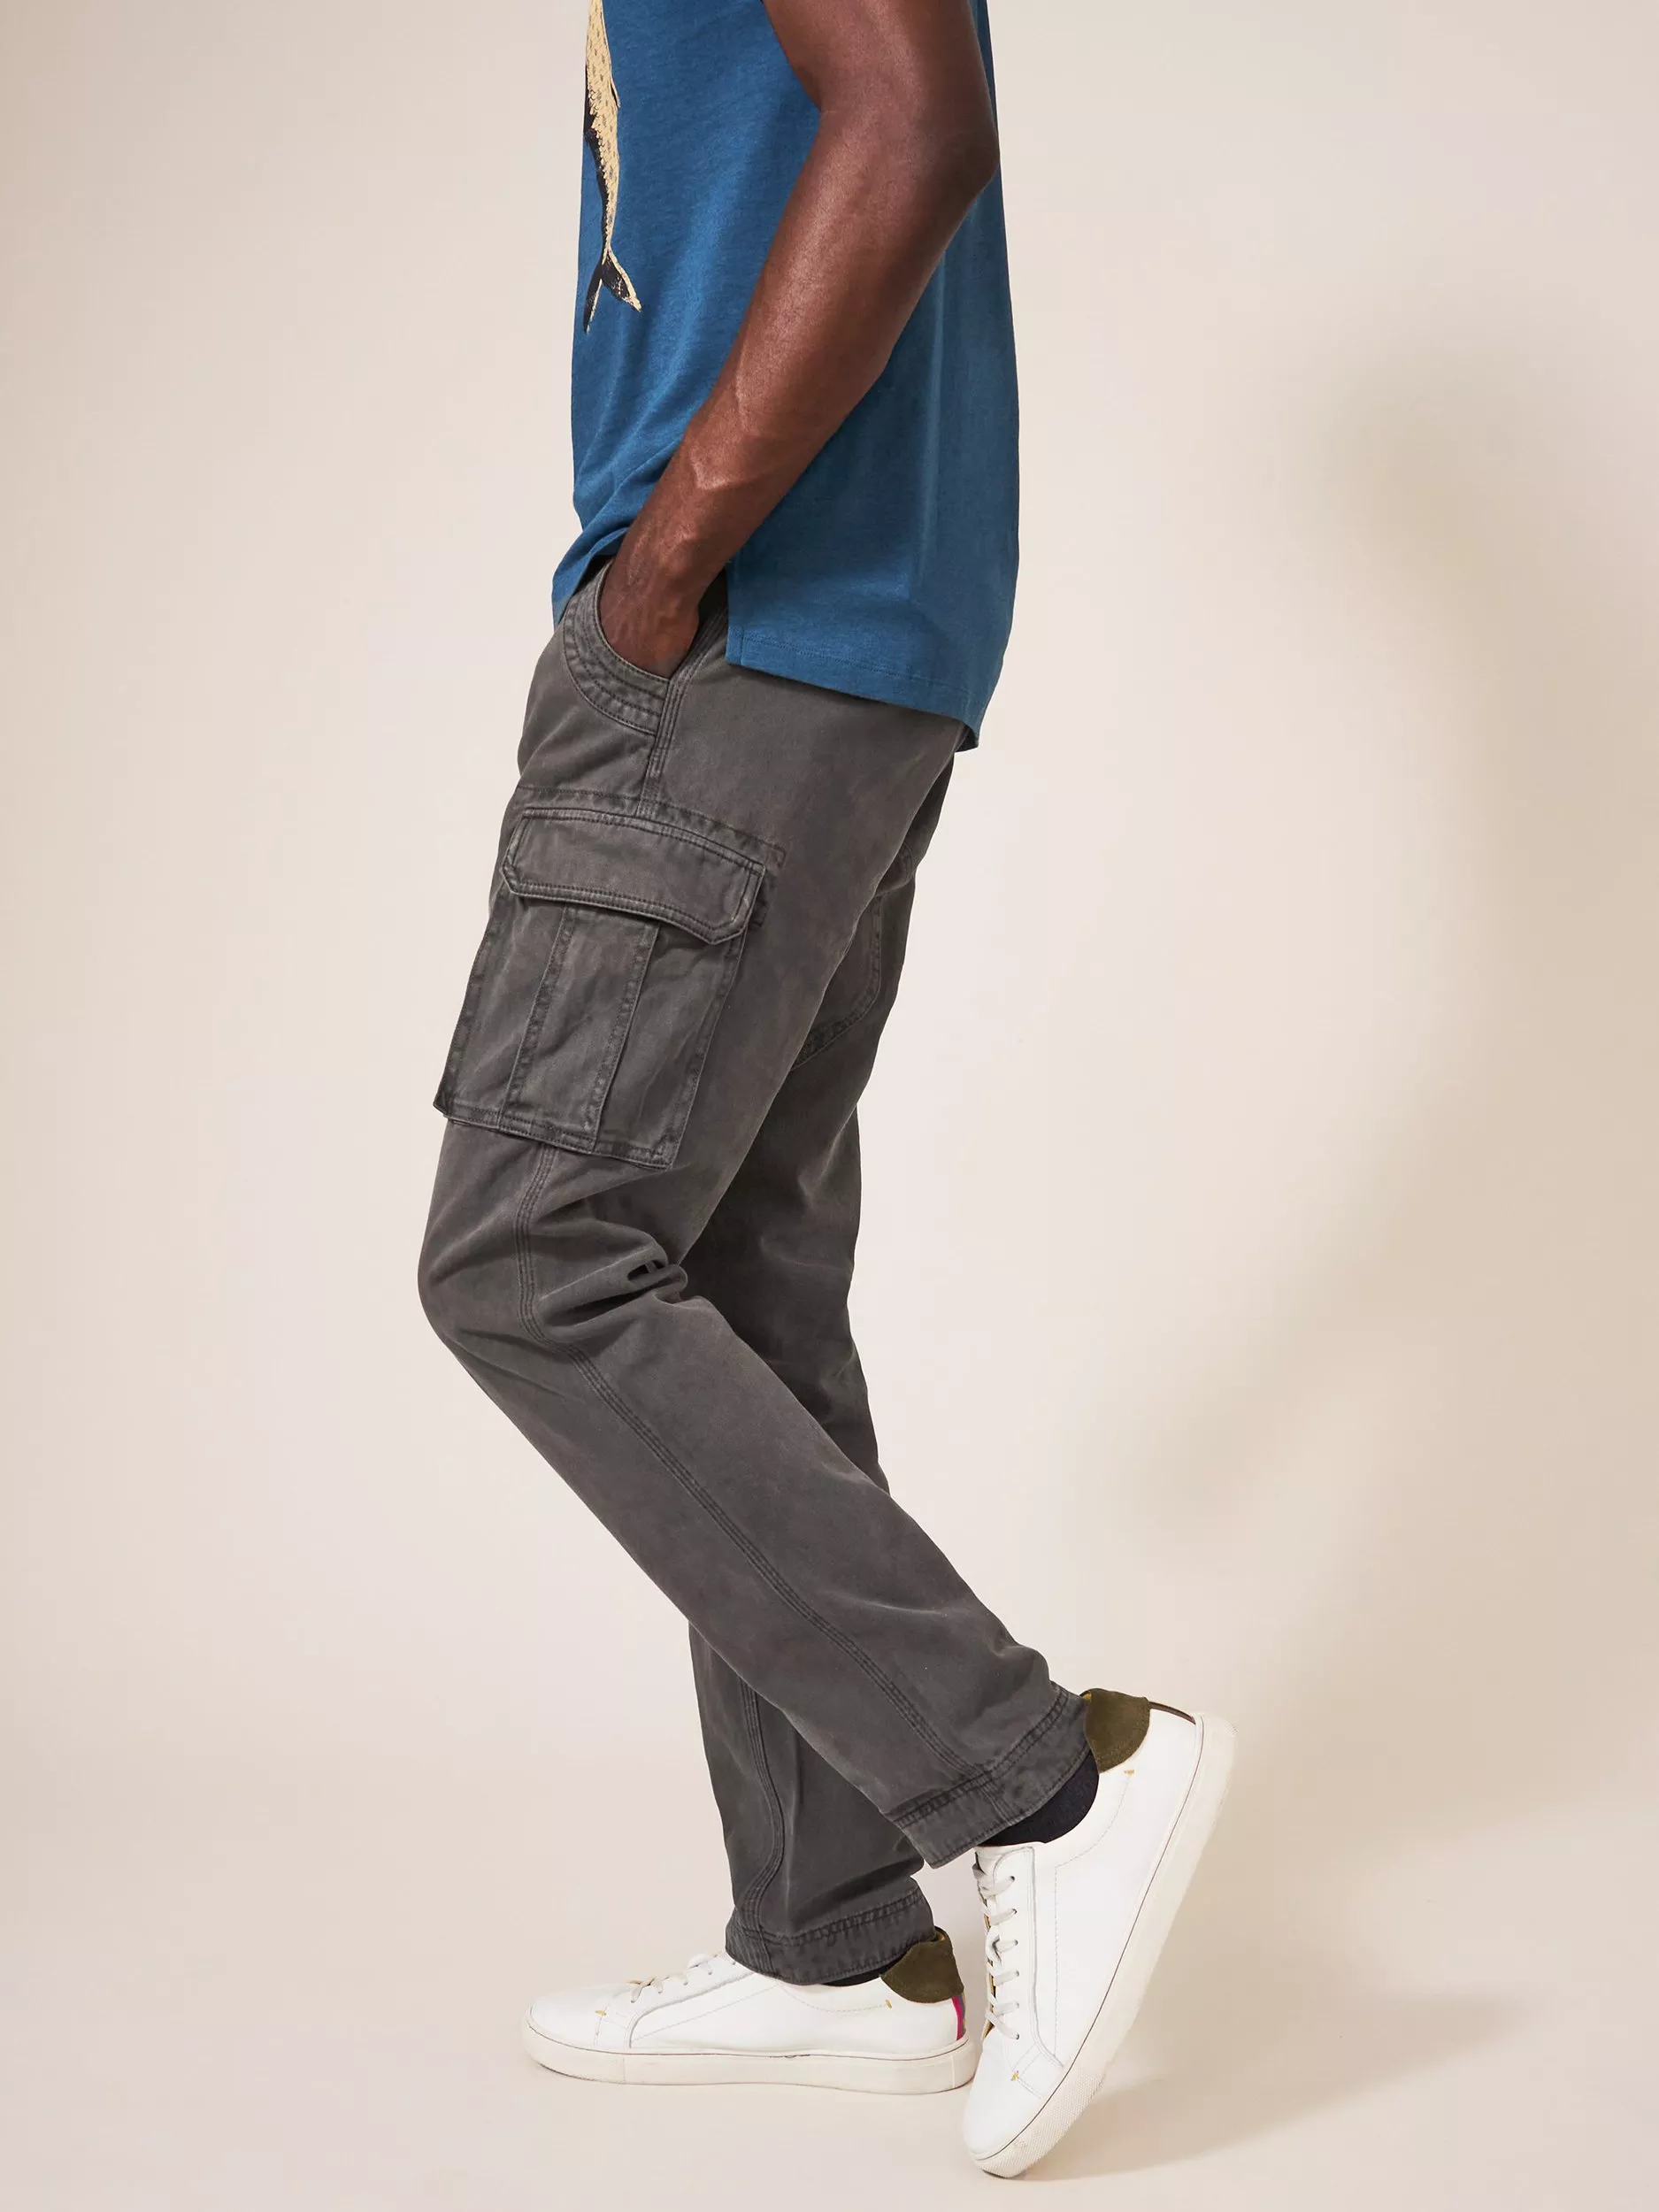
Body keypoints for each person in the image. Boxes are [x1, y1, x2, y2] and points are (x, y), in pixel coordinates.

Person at [418, 0, 1232, 2176]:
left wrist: (666, 561)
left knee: (530, 1254)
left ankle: (1039, 1783)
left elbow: (910, 122)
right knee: (734, 1276)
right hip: (844, 645)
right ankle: (830, 1938)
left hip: (746, 630)